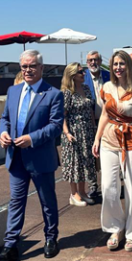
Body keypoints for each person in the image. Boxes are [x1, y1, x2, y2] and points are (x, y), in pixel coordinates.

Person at [0, 50, 63, 261]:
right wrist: (3, 133)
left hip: (40, 158)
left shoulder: (53, 94)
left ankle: (51, 238)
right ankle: (10, 245)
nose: (28, 70)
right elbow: (5, 117)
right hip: (16, 157)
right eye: (24, 66)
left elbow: (55, 127)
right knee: (16, 201)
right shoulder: (13, 91)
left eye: (32, 66)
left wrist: (31, 139)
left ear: (41, 68)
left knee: (47, 201)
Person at [92, 50, 132, 252]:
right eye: (115, 64)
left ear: (128, 65)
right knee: (109, 186)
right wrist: (97, 137)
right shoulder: (107, 87)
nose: (118, 67)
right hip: (109, 140)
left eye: (121, 64)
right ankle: (116, 228)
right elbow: (104, 115)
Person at [60, 62, 98, 206]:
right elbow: (62, 115)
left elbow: (90, 110)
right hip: (74, 130)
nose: (84, 74)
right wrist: (67, 132)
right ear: (73, 75)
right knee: (74, 163)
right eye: (81, 72)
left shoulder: (87, 89)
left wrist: (94, 129)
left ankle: (82, 191)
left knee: (85, 162)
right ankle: (74, 193)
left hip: (87, 130)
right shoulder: (67, 92)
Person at [84, 51, 111, 200]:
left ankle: (108, 185)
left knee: (108, 153)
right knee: (90, 155)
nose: (93, 63)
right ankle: (93, 186)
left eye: (95, 60)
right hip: (90, 123)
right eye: (90, 60)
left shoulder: (108, 76)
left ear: (100, 61)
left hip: (108, 123)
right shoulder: (82, 77)